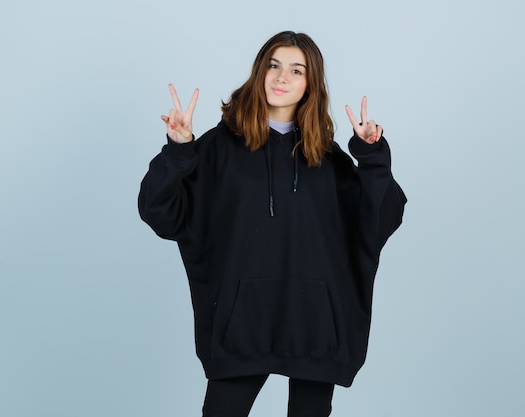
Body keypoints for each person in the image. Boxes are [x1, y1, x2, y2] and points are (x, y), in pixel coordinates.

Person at [138, 31, 406, 417]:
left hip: (315, 325)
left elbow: (379, 220)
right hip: (241, 326)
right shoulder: (217, 148)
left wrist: (372, 158)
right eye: (273, 65)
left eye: (296, 70)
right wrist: (179, 151)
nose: (281, 78)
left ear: (310, 83)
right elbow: (161, 212)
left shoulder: (328, 159)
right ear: (259, 72)